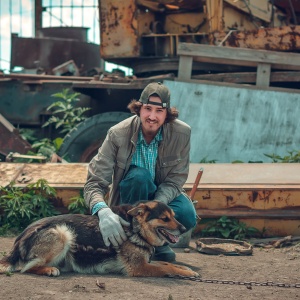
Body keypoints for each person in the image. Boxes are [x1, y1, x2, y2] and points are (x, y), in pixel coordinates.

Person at [84, 82, 197, 262]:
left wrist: (156, 208)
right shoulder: (117, 134)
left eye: (159, 111)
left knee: (186, 213)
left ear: (167, 114)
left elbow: (175, 180)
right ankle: (131, 243)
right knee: (139, 177)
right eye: (148, 109)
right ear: (139, 109)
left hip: (162, 198)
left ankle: (157, 244)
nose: (152, 116)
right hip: (131, 203)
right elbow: (94, 183)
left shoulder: (181, 133)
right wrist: (103, 211)